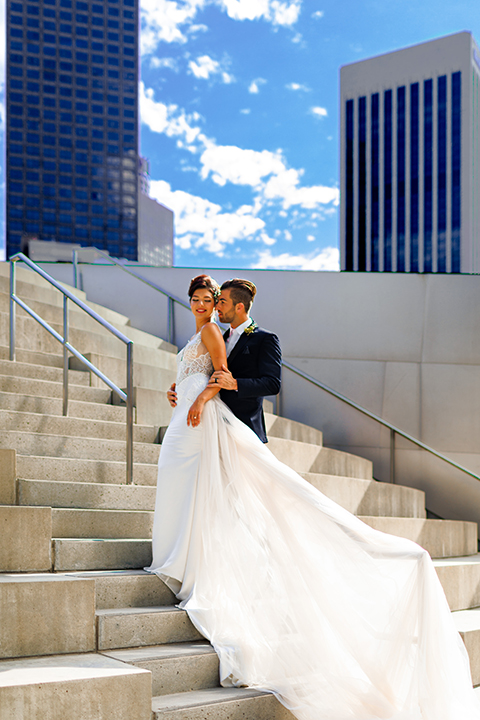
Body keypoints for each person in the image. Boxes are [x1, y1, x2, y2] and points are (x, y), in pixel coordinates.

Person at [146, 274, 480, 720]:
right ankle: (213, 562)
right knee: (218, 510)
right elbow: (207, 371)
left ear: (238, 306)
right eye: (212, 300)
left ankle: (279, 570)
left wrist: (223, 388)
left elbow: (270, 383)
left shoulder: (263, 338)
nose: (216, 306)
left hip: (240, 435)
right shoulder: (215, 332)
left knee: (268, 510)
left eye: (221, 301)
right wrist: (188, 388)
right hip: (211, 434)